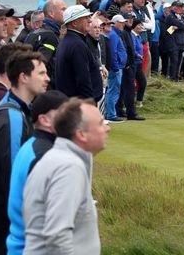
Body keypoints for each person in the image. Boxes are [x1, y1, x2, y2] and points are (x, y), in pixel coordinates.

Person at [0, 50, 49, 255]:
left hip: (0, 201)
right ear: (23, 77)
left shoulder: (15, 107)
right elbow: (12, 171)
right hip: (5, 204)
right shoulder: (12, 115)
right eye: (41, 73)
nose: (47, 78)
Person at [22, 99, 108, 254]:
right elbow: (57, 235)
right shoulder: (68, 167)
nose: (107, 129)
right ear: (81, 134)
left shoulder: (59, 158)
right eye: (101, 124)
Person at [6, 90, 68, 255]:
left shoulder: (33, 145)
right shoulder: (44, 155)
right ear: (44, 120)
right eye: (65, 114)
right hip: (30, 247)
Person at [54, 5, 97, 99]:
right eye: (86, 18)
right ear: (74, 23)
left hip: (70, 102)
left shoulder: (68, 41)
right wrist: (89, 103)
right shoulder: (76, 44)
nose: (90, 20)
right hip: (79, 104)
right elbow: (83, 79)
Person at [24, 0, 66, 90]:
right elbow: (41, 64)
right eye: (63, 9)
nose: (66, 12)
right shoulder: (49, 36)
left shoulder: (36, 32)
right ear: (51, 13)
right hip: (46, 89)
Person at [166, 1, 184, 80]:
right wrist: (180, 26)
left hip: (181, 42)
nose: (180, 8)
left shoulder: (181, 16)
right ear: (173, 7)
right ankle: (172, 79)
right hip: (173, 43)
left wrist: (178, 27)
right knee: (173, 62)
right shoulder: (170, 16)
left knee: (179, 62)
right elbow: (180, 25)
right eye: (178, 7)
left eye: (181, 7)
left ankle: (176, 78)